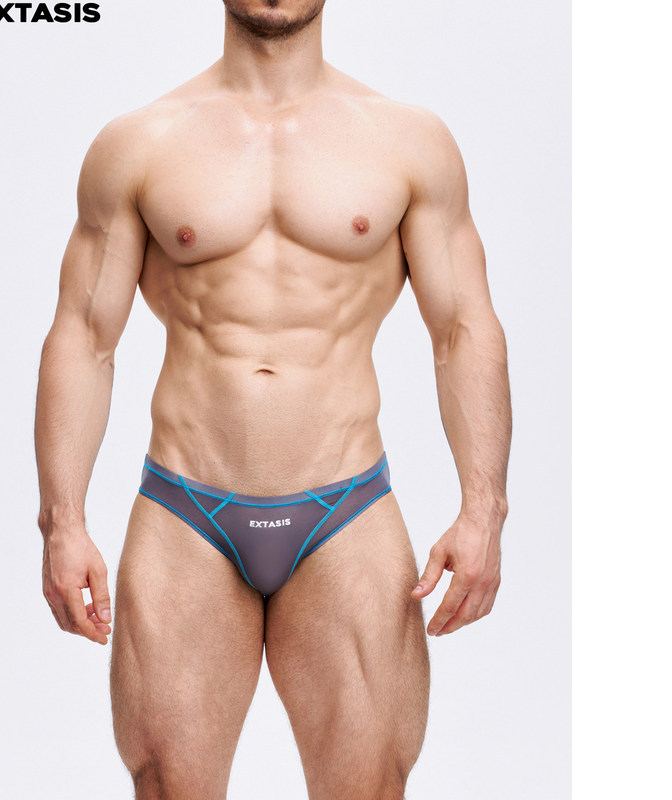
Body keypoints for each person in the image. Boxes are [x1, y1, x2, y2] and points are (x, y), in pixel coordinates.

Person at [34, 1, 512, 797]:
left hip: (346, 510)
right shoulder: (140, 144)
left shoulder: (407, 142)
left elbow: (463, 328)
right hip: (187, 510)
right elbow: (84, 337)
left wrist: (483, 510)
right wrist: (63, 522)